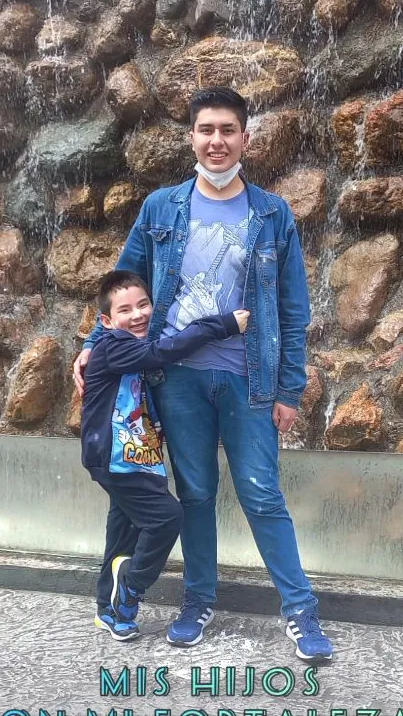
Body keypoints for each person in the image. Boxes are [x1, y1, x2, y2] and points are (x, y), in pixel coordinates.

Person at [75, 86, 333, 662]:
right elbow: (124, 281)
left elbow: (293, 310)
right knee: (194, 494)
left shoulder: (272, 213)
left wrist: (289, 388)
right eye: (206, 130)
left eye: (227, 130)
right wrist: (94, 344)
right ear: (191, 136)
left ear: (245, 137)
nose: (216, 141)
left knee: (262, 494)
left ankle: (300, 612)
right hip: (178, 380)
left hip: (249, 381)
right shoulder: (161, 207)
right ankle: (197, 601)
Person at [81, 268, 249, 641]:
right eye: (125, 310)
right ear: (107, 321)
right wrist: (221, 325)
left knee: (123, 531)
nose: (138, 314)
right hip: (114, 457)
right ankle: (132, 585)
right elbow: (161, 352)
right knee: (167, 517)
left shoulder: (123, 344)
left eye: (144, 304)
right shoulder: (113, 346)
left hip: (132, 456)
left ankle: (108, 610)